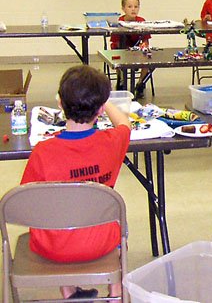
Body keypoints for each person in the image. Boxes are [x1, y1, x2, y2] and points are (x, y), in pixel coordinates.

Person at [20, 65, 131, 300]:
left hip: (53, 248)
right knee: (118, 224)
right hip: (102, 242)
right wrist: (105, 102)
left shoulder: (43, 151)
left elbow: (26, 203)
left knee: (54, 216)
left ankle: (69, 290)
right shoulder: (112, 142)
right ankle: (116, 290)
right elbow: (124, 123)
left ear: (60, 103)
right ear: (100, 109)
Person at [109, 0, 151, 97]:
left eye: (136, 7)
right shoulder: (119, 22)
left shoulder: (142, 21)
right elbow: (115, 42)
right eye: (130, 6)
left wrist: (143, 45)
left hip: (137, 50)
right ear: (123, 8)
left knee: (148, 60)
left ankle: (140, 83)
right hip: (121, 49)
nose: (133, 9)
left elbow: (146, 39)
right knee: (118, 58)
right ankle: (121, 79)